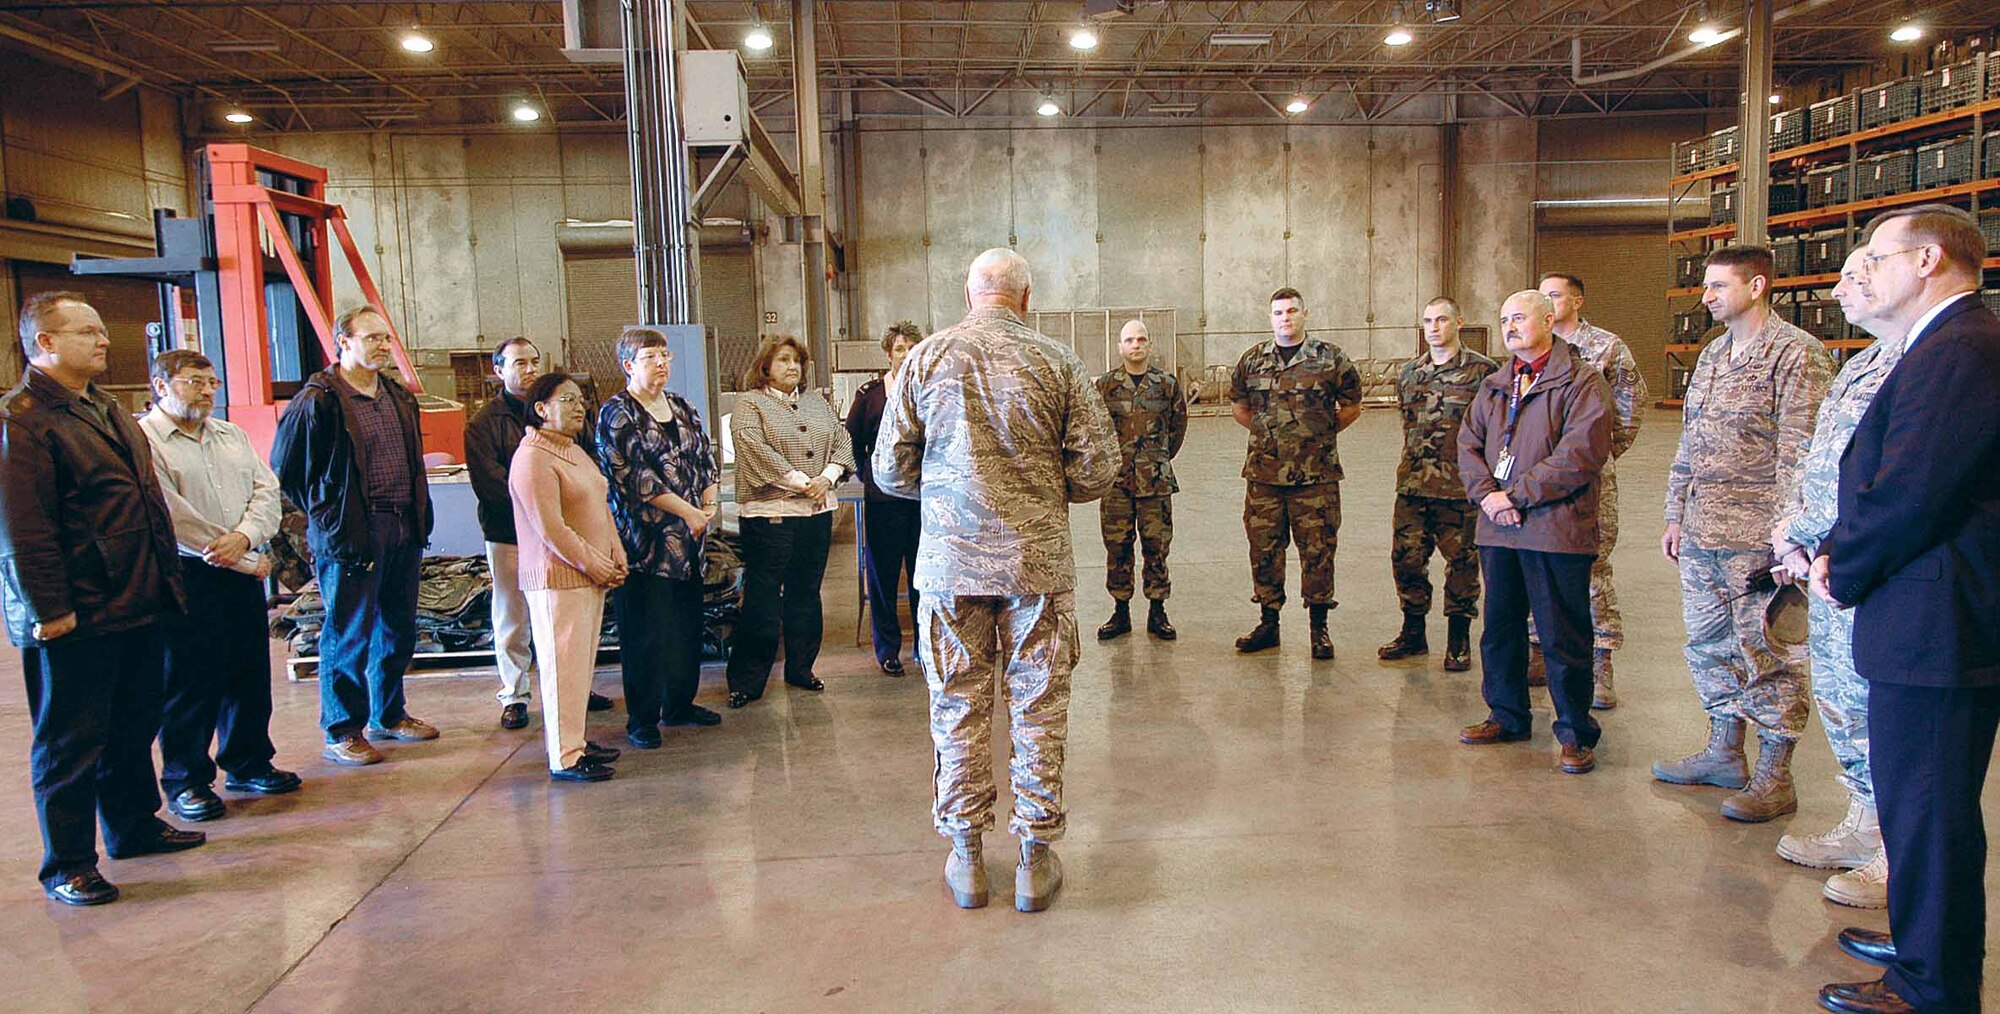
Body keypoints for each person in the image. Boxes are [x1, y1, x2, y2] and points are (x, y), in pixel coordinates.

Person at [872, 248, 1118, 913]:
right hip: (1034, 566)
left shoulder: (923, 360)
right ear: (1027, 298)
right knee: (1038, 708)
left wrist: (954, 489)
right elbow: (1098, 469)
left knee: (957, 705)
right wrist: (1038, 488)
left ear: (968, 293)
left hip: (951, 567)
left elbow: (889, 472)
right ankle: (1033, 860)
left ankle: (967, 856)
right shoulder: (1058, 361)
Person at [1815, 205, 2000, 1014]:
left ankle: (1933, 985)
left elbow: (1914, 492)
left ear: (1927, 261)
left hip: (1941, 619)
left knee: (1928, 808)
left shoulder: (1961, 350)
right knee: (1916, 802)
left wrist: (1838, 565)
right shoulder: (1940, 346)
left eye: (1877, 256)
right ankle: (1922, 940)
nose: (1864, 270)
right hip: (1925, 612)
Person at [0, 292, 202, 906]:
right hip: (77, 612)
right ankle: (67, 863)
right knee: (70, 741)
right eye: (87, 332)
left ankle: (133, 826)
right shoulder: (24, 420)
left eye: (100, 332)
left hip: (135, 597)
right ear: (47, 343)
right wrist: (49, 609)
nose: (103, 340)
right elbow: (22, 530)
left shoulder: (106, 407)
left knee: (132, 724)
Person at [1653, 245, 1833, 822]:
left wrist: (1790, 540)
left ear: (1756, 287)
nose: (1706, 297)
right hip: (1704, 529)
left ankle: (1774, 776)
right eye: (1705, 287)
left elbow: (1801, 454)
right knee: (1709, 644)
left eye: (1717, 286)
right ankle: (1723, 752)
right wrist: (1675, 511)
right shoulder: (1711, 356)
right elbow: (1690, 440)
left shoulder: (1797, 355)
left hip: (1758, 540)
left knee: (1768, 651)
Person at [1770, 247, 1905, 911]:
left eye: (1860, 273)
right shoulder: (1864, 362)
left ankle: (1894, 852)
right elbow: (1820, 461)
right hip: (1824, 565)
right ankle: (1863, 822)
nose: (1841, 287)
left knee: (1886, 713)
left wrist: (1835, 550)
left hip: (1870, 569)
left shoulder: (1929, 364)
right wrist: (1793, 534)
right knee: (1843, 701)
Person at [272, 304, 439, 766]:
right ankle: (342, 729)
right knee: (349, 632)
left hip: (402, 524)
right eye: (372, 338)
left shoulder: (397, 395)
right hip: (351, 532)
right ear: (342, 342)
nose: (383, 346)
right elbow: (286, 470)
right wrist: (329, 516)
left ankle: (388, 715)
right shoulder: (319, 400)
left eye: (386, 339)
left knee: (397, 627)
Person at [1455, 290, 1613, 775]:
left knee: (1561, 632)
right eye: (1504, 320)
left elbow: (1579, 454)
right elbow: (1468, 444)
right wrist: (1487, 496)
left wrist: (1515, 496)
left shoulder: (1582, 383)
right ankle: (1506, 715)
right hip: (1498, 531)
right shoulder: (1496, 386)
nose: (1510, 326)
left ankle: (1573, 733)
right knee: (1499, 629)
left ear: (1550, 319)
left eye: (1519, 317)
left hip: (1553, 529)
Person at [140, 350, 300, 823]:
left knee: (248, 671)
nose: (209, 391)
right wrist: (233, 551)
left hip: (242, 567)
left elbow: (267, 491)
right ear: (161, 384)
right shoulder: (144, 441)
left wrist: (246, 539)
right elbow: (166, 512)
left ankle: (248, 761)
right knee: (191, 681)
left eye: (213, 382)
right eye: (196, 382)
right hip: (188, 575)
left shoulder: (230, 434)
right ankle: (187, 781)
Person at [466, 338, 613, 729]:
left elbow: (585, 471)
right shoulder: (484, 424)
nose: (528, 369)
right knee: (513, 616)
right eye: (519, 363)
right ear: (499, 370)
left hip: (565, 535)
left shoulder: (565, 416)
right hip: (510, 535)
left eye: (534, 361)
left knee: (568, 624)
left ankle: (573, 688)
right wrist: (543, 516)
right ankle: (514, 693)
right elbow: (493, 484)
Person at [596, 326, 722, 750]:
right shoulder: (617, 413)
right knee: (646, 632)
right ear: (629, 365)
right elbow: (635, 478)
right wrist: (688, 512)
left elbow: (705, 457)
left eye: (665, 355)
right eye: (651, 357)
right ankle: (643, 717)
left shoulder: (682, 407)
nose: (662, 363)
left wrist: (709, 501)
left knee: (686, 627)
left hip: (690, 541)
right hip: (645, 544)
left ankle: (679, 704)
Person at [1529, 273, 1647, 708]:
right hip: (1539, 476)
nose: (1548, 300)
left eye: (1555, 294)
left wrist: (1602, 452)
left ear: (1576, 300)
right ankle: (1538, 651)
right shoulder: (1530, 344)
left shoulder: (1606, 347)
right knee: (1537, 560)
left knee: (1592, 567)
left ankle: (1600, 664)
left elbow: (1631, 407)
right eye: (1541, 295)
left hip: (1590, 478)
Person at [1227, 287, 1364, 660]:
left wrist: (1317, 434)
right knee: (1265, 550)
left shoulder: (1330, 359)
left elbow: (1352, 406)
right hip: (1264, 477)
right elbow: (1240, 408)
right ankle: (1268, 622)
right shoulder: (1252, 361)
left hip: (1315, 477)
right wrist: (1270, 436)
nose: (1284, 318)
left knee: (1318, 552)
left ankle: (1319, 629)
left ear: (1305, 314)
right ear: (1270, 318)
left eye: (1291, 311)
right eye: (1278, 313)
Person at [724, 335, 855, 709]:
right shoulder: (751, 403)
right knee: (763, 599)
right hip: (771, 514)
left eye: (797, 361)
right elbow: (751, 446)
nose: (792, 368)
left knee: (806, 595)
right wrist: (801, 481)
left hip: (816, 513)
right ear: (766, 366)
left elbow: (842, 441)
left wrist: (827, 478)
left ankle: (801, 668)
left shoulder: (817, 402)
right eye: (783, 360)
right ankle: (747, 681)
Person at [509, 372, 627, 783]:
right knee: (562, 668)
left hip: (589, 574)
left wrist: (615, 551)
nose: (579, 407)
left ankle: (574, 739)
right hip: (558, 577)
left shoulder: (574, 451)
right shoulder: (532, 457)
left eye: (581, 400)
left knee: (579, 668)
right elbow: (551, 528)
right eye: (567, 400)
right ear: (541, 409)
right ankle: (564, 756)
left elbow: (601, 504)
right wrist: (593, 563)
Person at [1379, 297, 1498, 670]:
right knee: (1407, 560)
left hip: (1460, 489)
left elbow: (1494, 429)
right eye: (1428, 321)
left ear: (1458, 322)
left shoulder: (1484, 373)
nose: (1434, 327)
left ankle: (1458, 639)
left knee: (1462, 564)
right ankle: (1413, 632)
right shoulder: (1410, 373)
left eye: (1442, 319)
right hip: (1414, 485)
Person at [1093, 319, 1187, 641]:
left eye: (1141, 339)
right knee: (1117, 547)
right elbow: (1095, 431)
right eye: (1129, 340)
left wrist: (1156, 458)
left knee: (1156, 547)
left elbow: (1177, 429)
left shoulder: (1167, 385)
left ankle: (1157, 612)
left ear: (1149, 345)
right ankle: (1120, 612)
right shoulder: (1105, 386)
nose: (1135, 345)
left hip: (1155, 483)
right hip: (1116, 484)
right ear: (1120, 346)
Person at [847, 321, 925, 675]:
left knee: (922, 575)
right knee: (883, 575)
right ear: (888, 353)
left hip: (923, 498)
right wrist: (868, 475)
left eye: (911, 348)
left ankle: (925, 645)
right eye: (899, 348)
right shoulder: (870, 395)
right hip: (883, 500)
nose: (906, 354)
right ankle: (888, 649)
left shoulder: (929, 390)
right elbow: (852, 442)